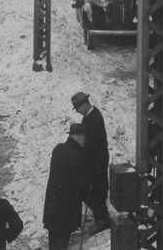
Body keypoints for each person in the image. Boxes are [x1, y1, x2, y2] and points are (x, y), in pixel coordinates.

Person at [43, 123, 89, 250]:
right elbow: (81, 185)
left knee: (54, 244)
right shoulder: (78, 156)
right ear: (79, 137)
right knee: (62, 244)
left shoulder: (58, 150)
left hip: (52, 209)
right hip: (67, 212)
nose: (85, 141)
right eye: (85, 138)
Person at [71, 92, 111, 233]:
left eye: (77, 108)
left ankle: (103, 221)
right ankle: (101, 218)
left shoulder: (93, 118)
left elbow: (91, 144)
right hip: (95, 161)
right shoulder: (90, 116)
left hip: (97, 162)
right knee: (95, 191)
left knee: (96, 191)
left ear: (84, 104)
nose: (77, 111)